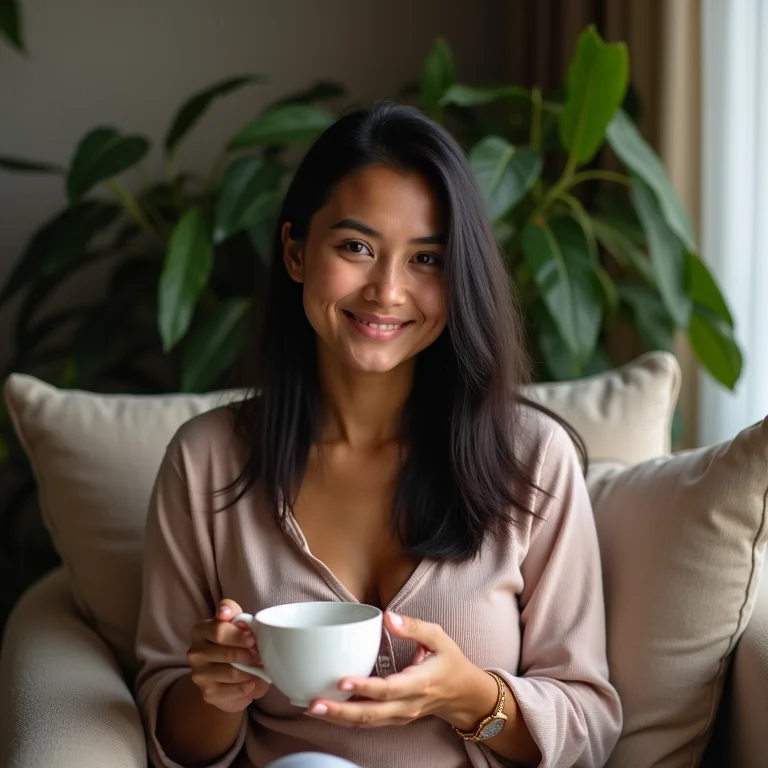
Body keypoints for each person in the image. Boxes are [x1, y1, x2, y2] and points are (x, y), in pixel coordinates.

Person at [134, 101, 622, 768]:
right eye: (356, 247)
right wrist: (215, 693)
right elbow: (172, 734)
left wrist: (469, 698)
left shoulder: (532, 459)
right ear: (296, 251)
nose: (388, 290)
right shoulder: (205, 462)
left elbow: (590, 723)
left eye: (426, 259)